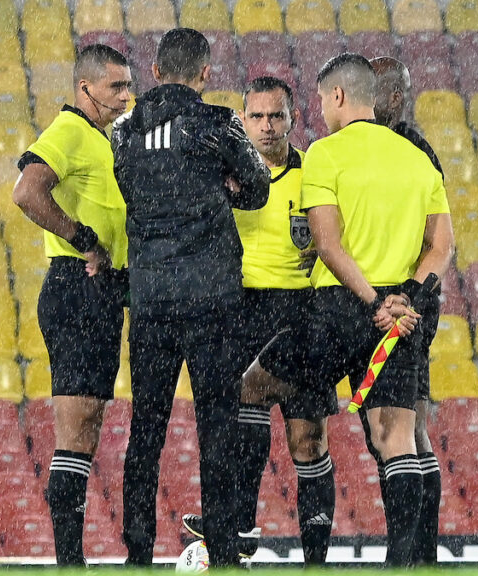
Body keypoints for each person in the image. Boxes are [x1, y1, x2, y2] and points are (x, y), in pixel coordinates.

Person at [232, 53, 454, 567]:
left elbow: (328, 246)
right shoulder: (417, 159)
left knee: (253, 385)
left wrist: (373, 302)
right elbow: (441, 246)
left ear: (336, 97)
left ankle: (239, 521)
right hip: (400, 315)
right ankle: (404, 561)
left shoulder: (325, 156)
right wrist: (406, 299)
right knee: (396, 437)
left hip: (339, 308)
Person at [111, 28, 270, 567]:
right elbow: (259, 189)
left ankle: (137, 552)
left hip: (152, 298)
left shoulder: (123, 129)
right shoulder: (220, 123)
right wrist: (222, 188)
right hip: (211, 299)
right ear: (206, 74)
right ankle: (223, 551)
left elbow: (130, 188)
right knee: (217, 427)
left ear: (154, 72)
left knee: (146, 430)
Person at [180, 76, 339, 565]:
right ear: (241, 120)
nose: (267, 127)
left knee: (306, 436)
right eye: (257, 117)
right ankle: (239, 530)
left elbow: (338, 240)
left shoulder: (316, 174)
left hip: (300, 313)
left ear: (294, 118)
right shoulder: (221, 175)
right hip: (242, 308)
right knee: (241, 414)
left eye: (277, 116)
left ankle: (315, 558)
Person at [12, 44, 133, 566]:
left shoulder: (100, 138)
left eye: (129, 86)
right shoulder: (68, 131)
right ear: (84, 89)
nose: (126, 97)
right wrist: (80, 236)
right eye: (115, 88)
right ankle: (68, 559)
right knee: (77, 426)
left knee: (85, 427)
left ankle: (71, 557)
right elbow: (26, 192)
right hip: (76, 287)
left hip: (101, 290)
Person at [370, 55, 454, 566]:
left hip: (403, 306)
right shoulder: (414, 150)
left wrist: (404, 299)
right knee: (408, 428)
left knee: (397, 429)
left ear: (394, 99)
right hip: (412, 303)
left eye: (368, 95)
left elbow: (433, 241)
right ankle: (421, 556)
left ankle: (412, 556)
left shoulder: (410, 152)